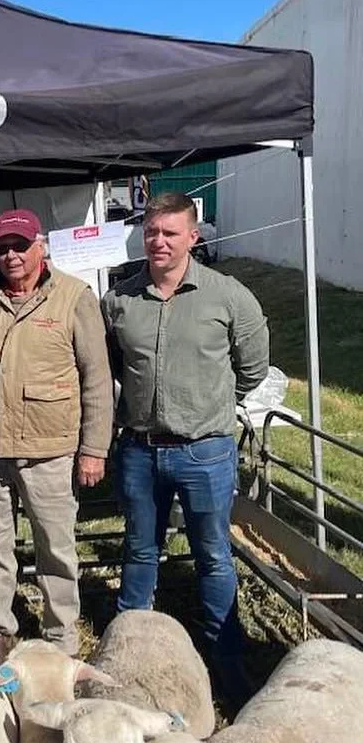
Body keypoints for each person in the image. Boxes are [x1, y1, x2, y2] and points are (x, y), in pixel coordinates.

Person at [101, 191, 269, 703]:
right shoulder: (121, 300)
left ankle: (225, 660)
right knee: (139, 551)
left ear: (193, 236)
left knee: (214, 555)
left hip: (206, 453)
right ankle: (129, 663)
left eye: (170, 233)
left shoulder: (227, 296)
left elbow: (254, 365)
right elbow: (109, 365)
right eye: (151, 232)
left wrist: (213, 407)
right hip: (140, 450)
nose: (158, 241)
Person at [0, 208, 114, 667]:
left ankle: (61, 637)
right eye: (1, 247)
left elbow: (97, 378)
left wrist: (94, 448)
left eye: (20, 246)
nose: (11, 255)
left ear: (40, 246)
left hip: (50, 448)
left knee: (55, 545)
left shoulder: (74, 298)